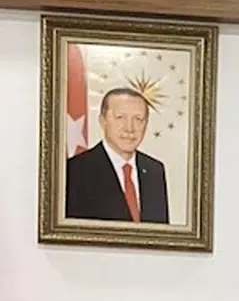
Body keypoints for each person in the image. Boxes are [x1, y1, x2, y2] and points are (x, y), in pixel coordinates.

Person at [65, 87, 170, 224]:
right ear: (103, 121)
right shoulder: (75, 170)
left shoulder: (154, 170)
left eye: (138, 119)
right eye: (120, 118)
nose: (129, 128)